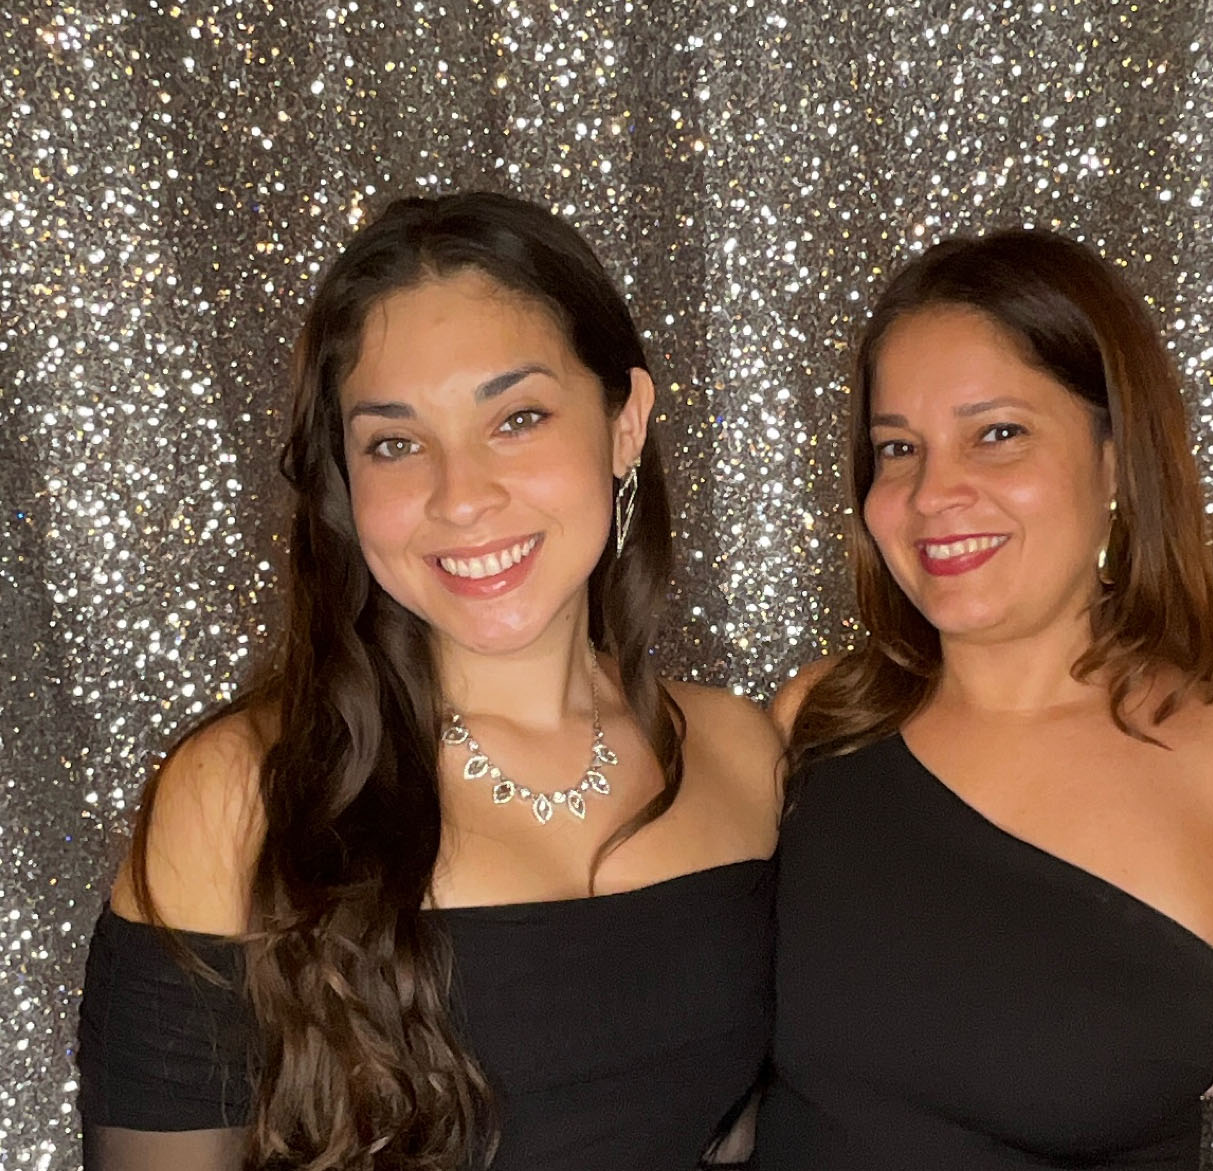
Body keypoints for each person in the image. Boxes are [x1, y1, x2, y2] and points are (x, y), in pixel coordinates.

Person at [78, 192, 782, 1171]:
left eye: (518, 417)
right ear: (345, 475)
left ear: (625, 424)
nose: (460, 496)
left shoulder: (741, 754)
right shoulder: (241, 790)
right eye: (395, 442)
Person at [755, 229, 1213, 1170]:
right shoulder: (817, 725)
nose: (932, 493)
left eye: (997, 434)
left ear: (1117, 459)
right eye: (897, 448)